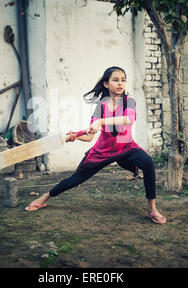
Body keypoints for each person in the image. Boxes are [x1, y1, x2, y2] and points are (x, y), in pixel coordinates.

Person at [25, 66, 166, 224]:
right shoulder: (101, 106)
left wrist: (102, 121)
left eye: (123, 80)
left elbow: (128, 119)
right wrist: (77, 137)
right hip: (103, 151)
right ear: (106, 84)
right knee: (76, 179)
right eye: (116, 80)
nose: (121, 83)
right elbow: (90, 136)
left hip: (126, 147)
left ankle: (152, 209)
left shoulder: (129, 102)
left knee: (147, 162)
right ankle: (45, 197)